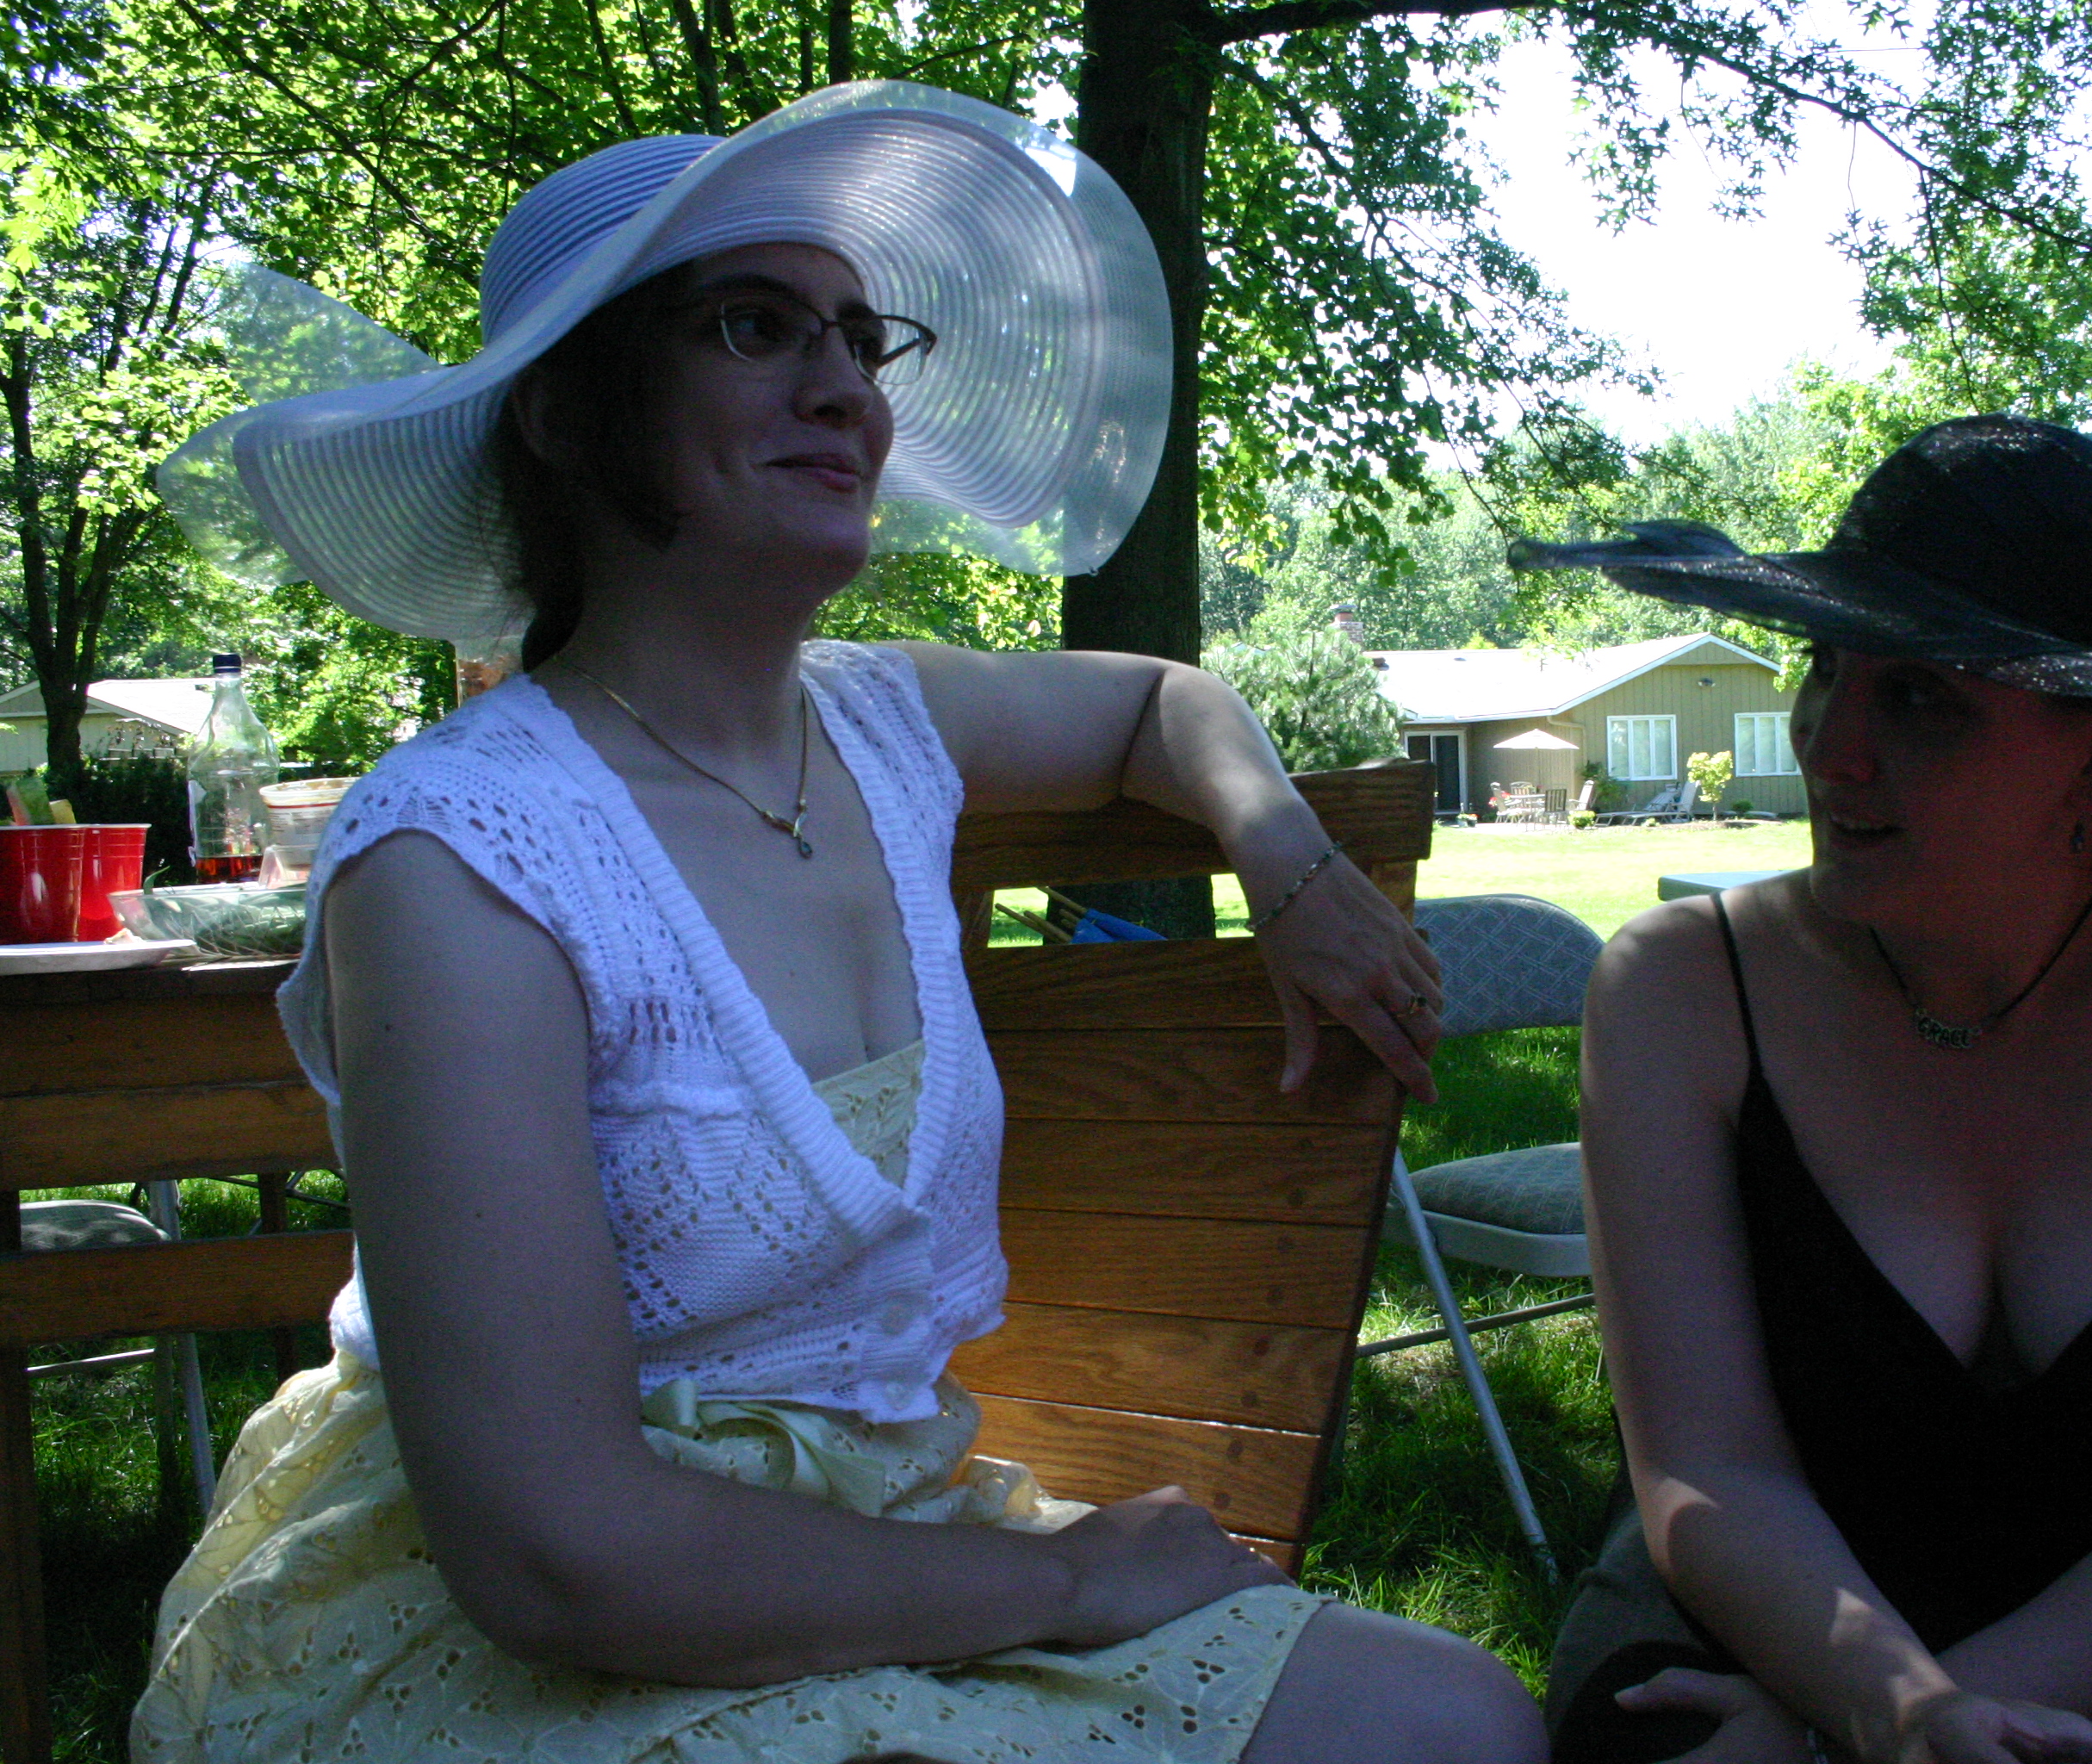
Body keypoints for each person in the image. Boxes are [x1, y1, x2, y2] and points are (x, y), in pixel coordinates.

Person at [136, 83, 1544, 1764]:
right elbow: (555, 1554)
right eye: (755, 327)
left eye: (860, 339)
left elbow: (1159, 702)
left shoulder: (882, 724)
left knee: (1463, 1719)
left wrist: (1290, 864)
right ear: (568, 417)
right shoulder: (461, 862)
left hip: (898, 1534)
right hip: (540, 1623)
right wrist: (1072, 1578)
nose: (845, 392)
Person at [1512, 417, 2092, 1764]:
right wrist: (1888, 1706)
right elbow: (1712, 1473)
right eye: (1827, 667)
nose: (1829, 747)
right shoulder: (1679, 987)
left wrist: (1898, 1729)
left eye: (1920, 700)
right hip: (1774, 1612)